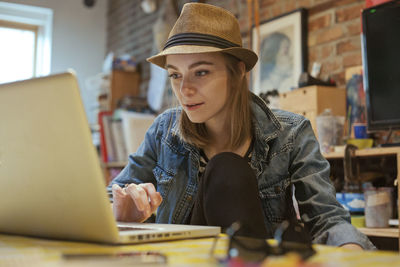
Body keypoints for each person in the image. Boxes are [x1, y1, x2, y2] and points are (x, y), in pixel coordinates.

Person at [109, 3, 374, 249]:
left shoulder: (291, 133)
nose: (184, 89)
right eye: (175, 75)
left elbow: (326, 218)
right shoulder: (163, 130)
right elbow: (112, 198)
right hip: (179, 260)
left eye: (201, 72)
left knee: (227, 169)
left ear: (237, 73)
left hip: (253, 260)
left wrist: (351, 252)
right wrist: (121, 213)